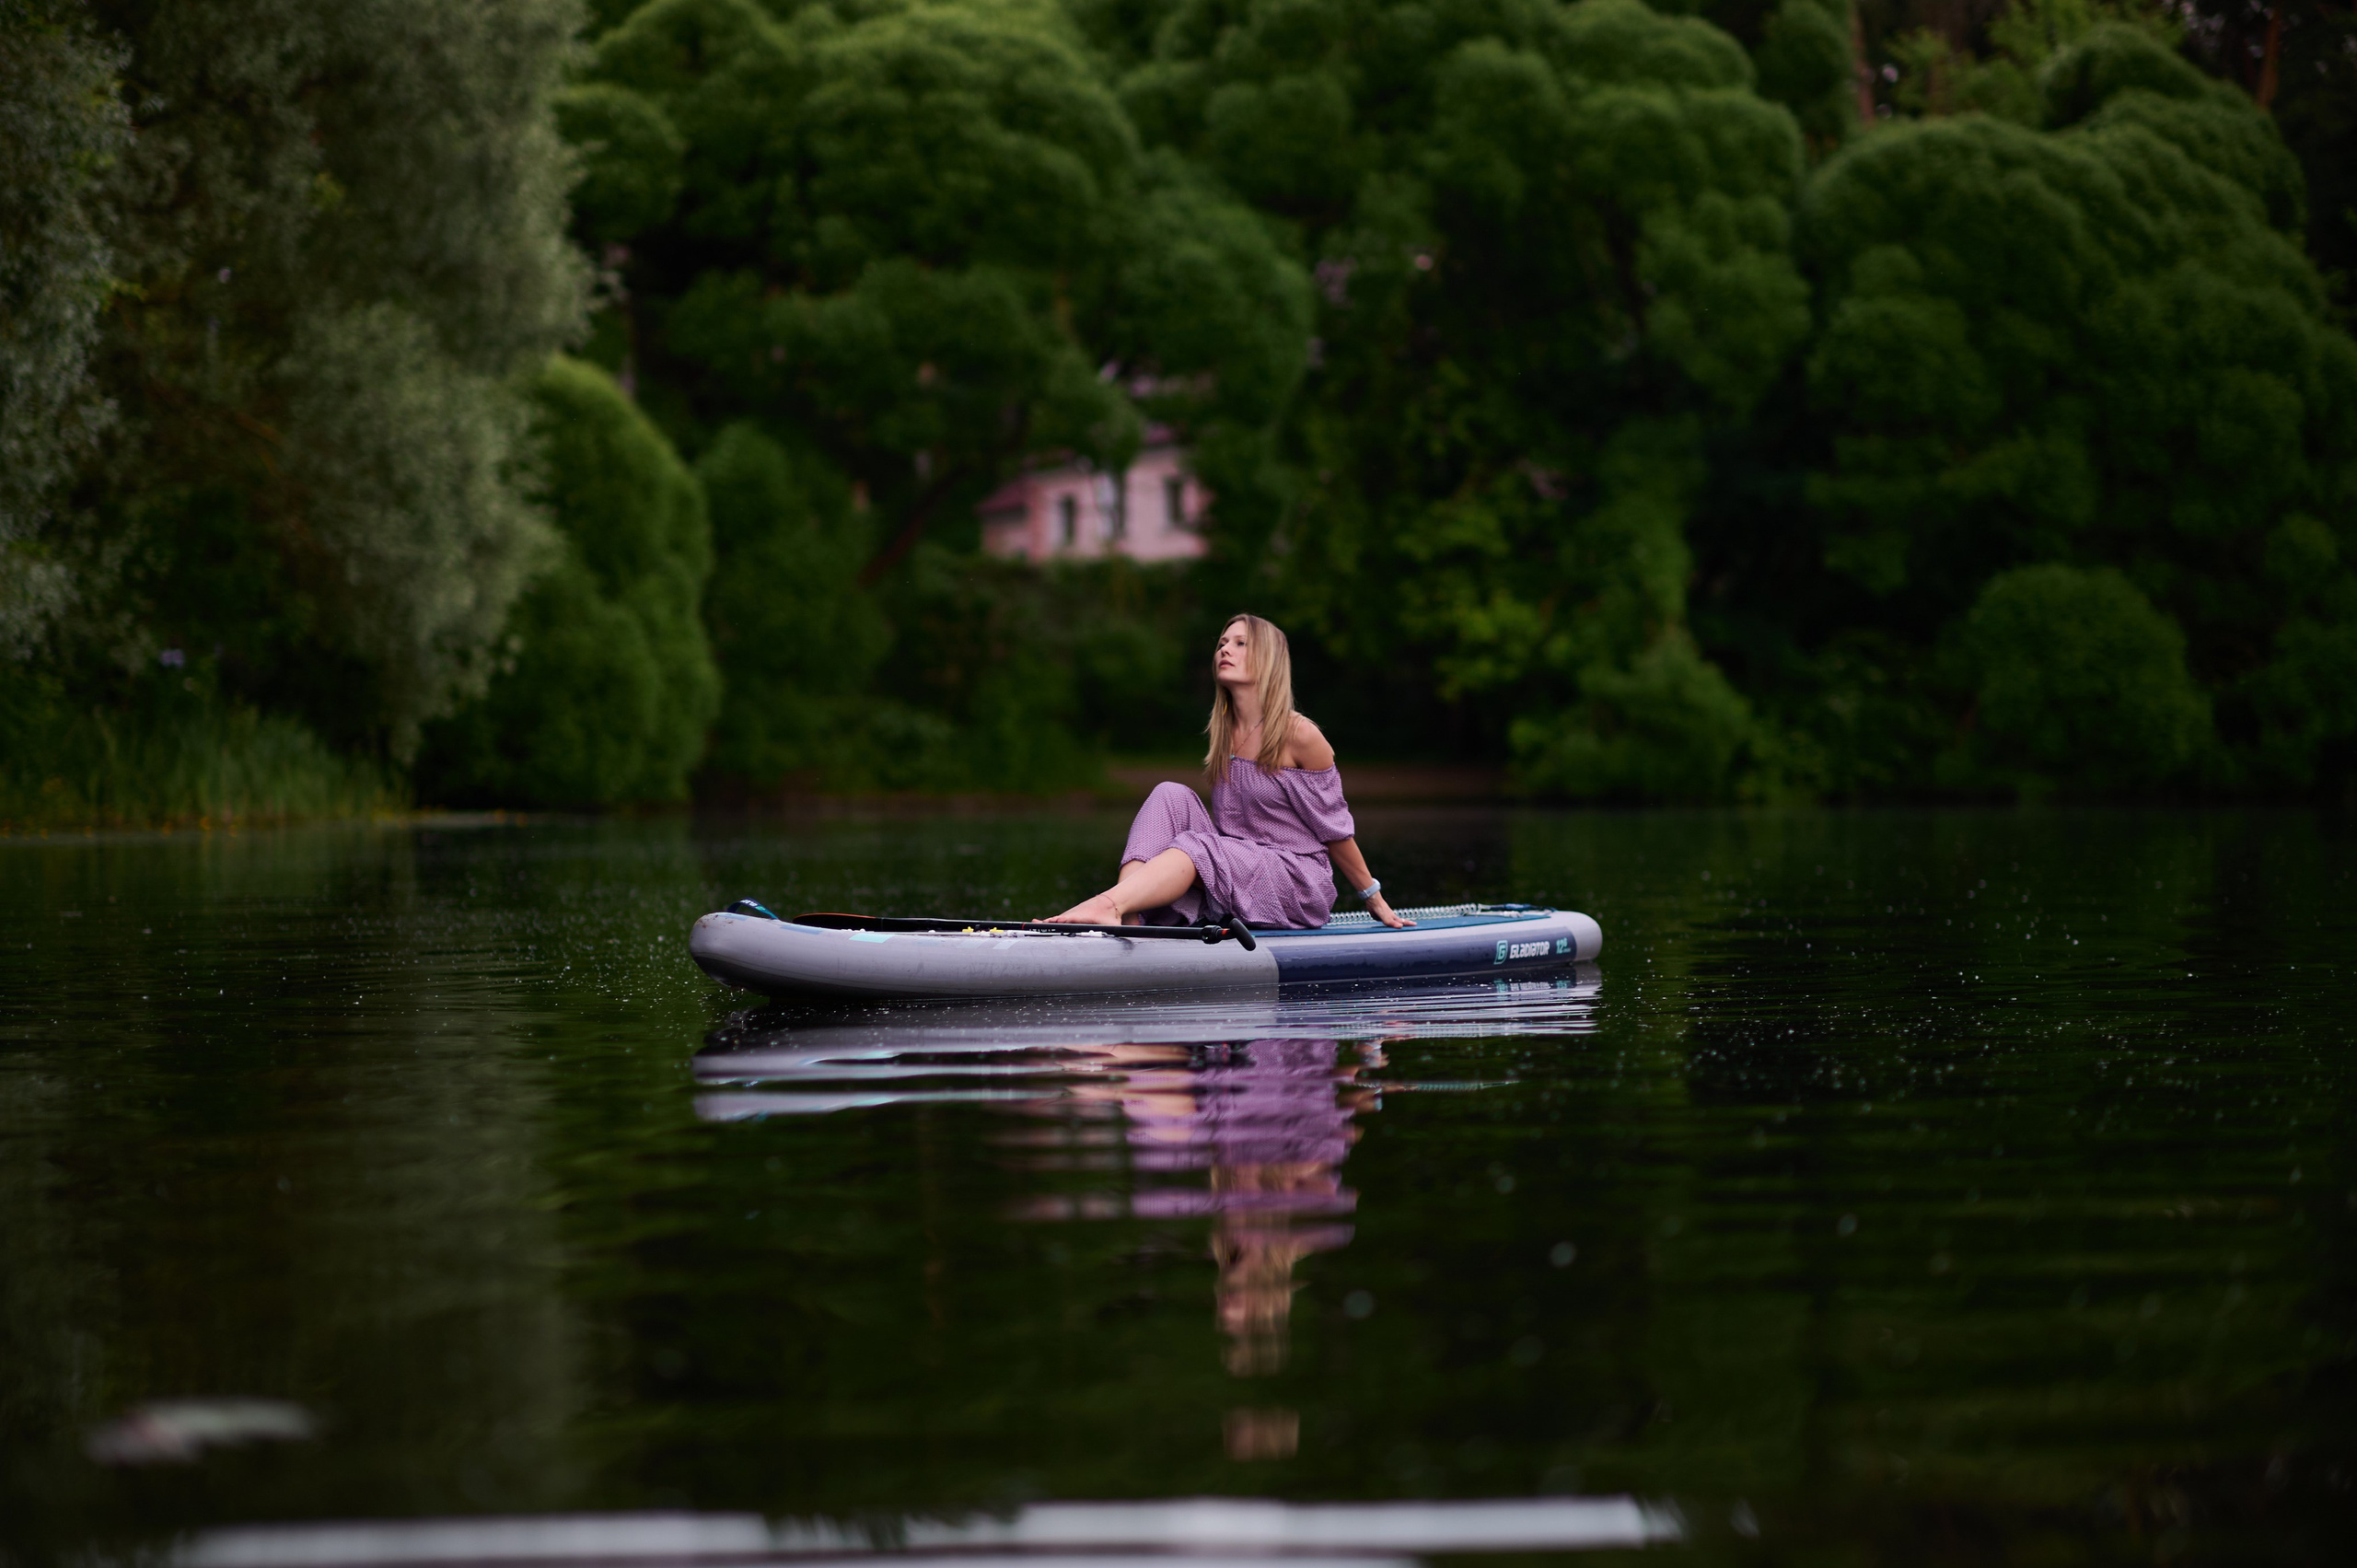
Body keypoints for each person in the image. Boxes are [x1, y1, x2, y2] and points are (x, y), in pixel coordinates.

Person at [1046, 613, 1411, 930]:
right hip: (1237, 865)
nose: (1225, 650)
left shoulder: (1300, 735)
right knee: (1168, 794)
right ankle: (1129, 917)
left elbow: (1335, 832)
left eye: (1240, 643)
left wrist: (1373, 897)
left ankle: (1108, 904)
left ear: (1268, 660)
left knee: (1197, 846)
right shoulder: (1225, 733)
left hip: (1296, 882)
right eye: (1222, 643)